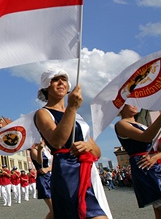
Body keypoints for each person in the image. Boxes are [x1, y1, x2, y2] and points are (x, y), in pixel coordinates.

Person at [34, 68, 112, 219]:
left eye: (64, 79)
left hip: (87, 169)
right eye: (55, 79)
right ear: (46, 86)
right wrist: (71, 108)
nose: (61, 82)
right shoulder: (43, 113)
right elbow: (57, 142)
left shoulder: (77, 115)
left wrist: (88, 146)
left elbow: (97, 151)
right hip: (67, 170)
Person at [116, 103, 161, 218]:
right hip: (147, 170)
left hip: (157, 168)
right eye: (129, 102)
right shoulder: (121, 124)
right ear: (121, 107)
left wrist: (156, 157)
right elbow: (146, 137)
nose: (134, 105)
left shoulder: (143, 126)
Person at [30, 140, 53, 219]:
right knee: (54, 210)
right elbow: (40, 162)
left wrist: (49, 169)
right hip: (44, 179)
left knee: (58, 208)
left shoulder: (47, 149)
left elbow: (54, 164)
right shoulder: (34, 150)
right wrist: (39, 150)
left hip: (52, 177)